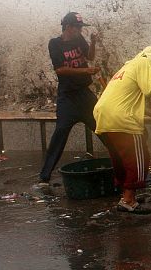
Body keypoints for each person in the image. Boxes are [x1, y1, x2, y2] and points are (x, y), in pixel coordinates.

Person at [93, 46, 151, 214]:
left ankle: (125, 194)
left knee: (121, 157)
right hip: (121, 119)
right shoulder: (144, 63)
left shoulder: (128, 65)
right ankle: (128, 200)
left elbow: (126, 98)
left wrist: (150, 114)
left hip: (103, 114)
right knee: (139, 159)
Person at [36, 12, 103, 190]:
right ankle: (44, 177)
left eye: (81, 27)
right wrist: (85, 72)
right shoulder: (55, 44)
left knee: (103, 127)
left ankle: (123, 162)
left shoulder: (79, 38)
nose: (80, 30)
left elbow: (89, 57)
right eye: (77, 27)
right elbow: (60, 70)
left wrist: (93, 42)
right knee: (60, 133)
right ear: (67, 26)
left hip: (85, 95)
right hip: (68, 97)